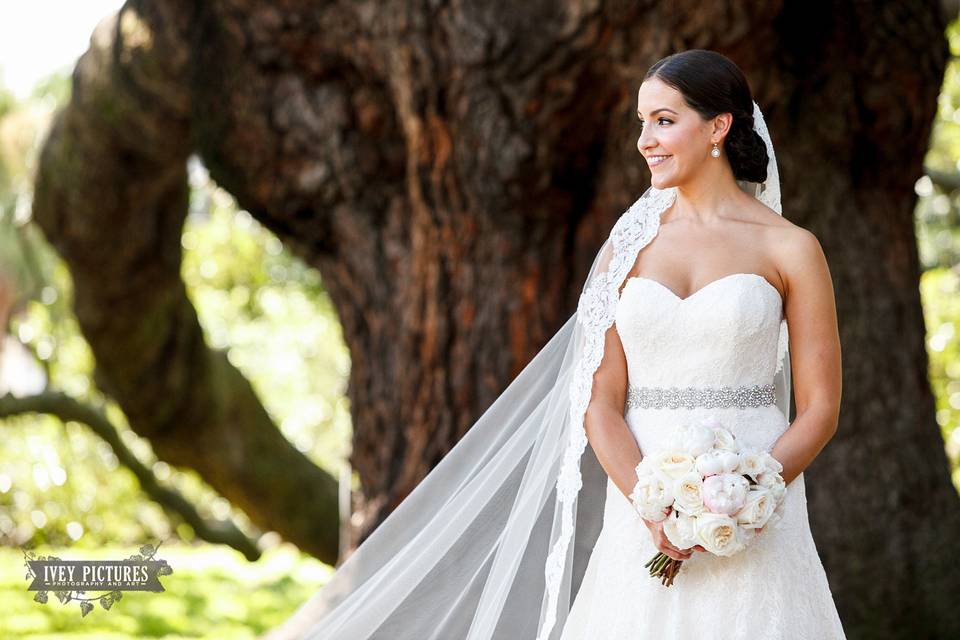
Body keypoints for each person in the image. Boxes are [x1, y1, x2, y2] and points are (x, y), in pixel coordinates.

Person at [265, 49, 845, 640]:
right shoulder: (628, 248)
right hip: (641, 495)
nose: (645, 139)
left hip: (758, 506)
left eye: (665, 120)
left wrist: (743, 496)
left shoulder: (791, 249)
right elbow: (599, 400)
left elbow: (820, 406)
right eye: (641, 122)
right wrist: (656, 508)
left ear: (718, 125)